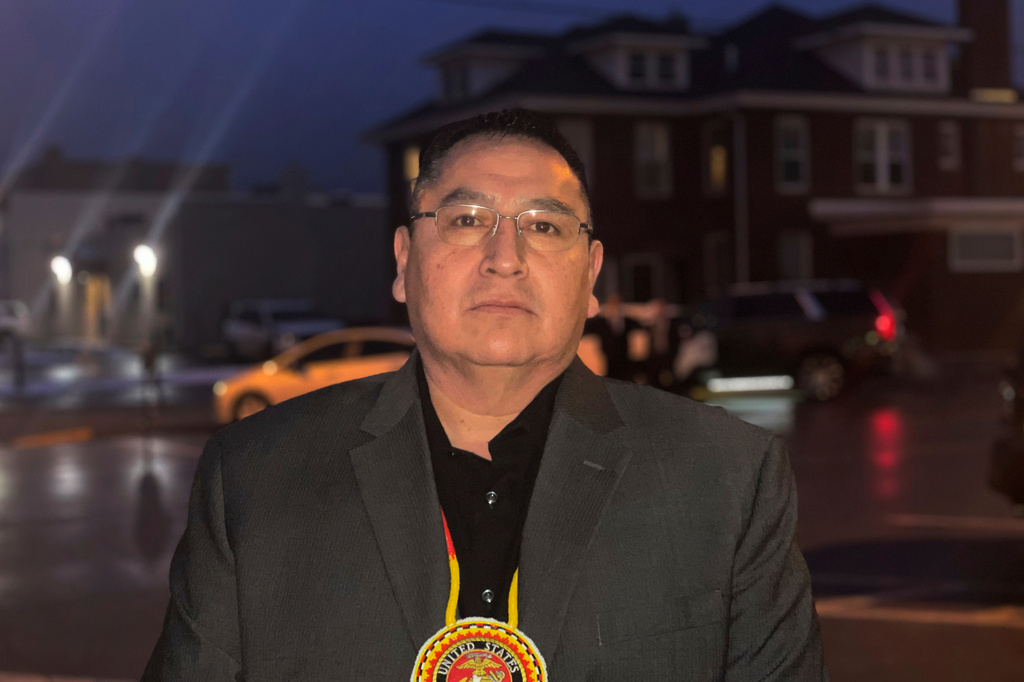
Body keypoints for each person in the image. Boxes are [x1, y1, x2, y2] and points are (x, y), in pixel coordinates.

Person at [143, 109, 826, 680]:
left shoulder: (728, 478)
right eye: (467, 219)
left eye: (545, 224)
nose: (506, 255)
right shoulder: (257, 476)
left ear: (591, 278)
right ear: (406, 264)